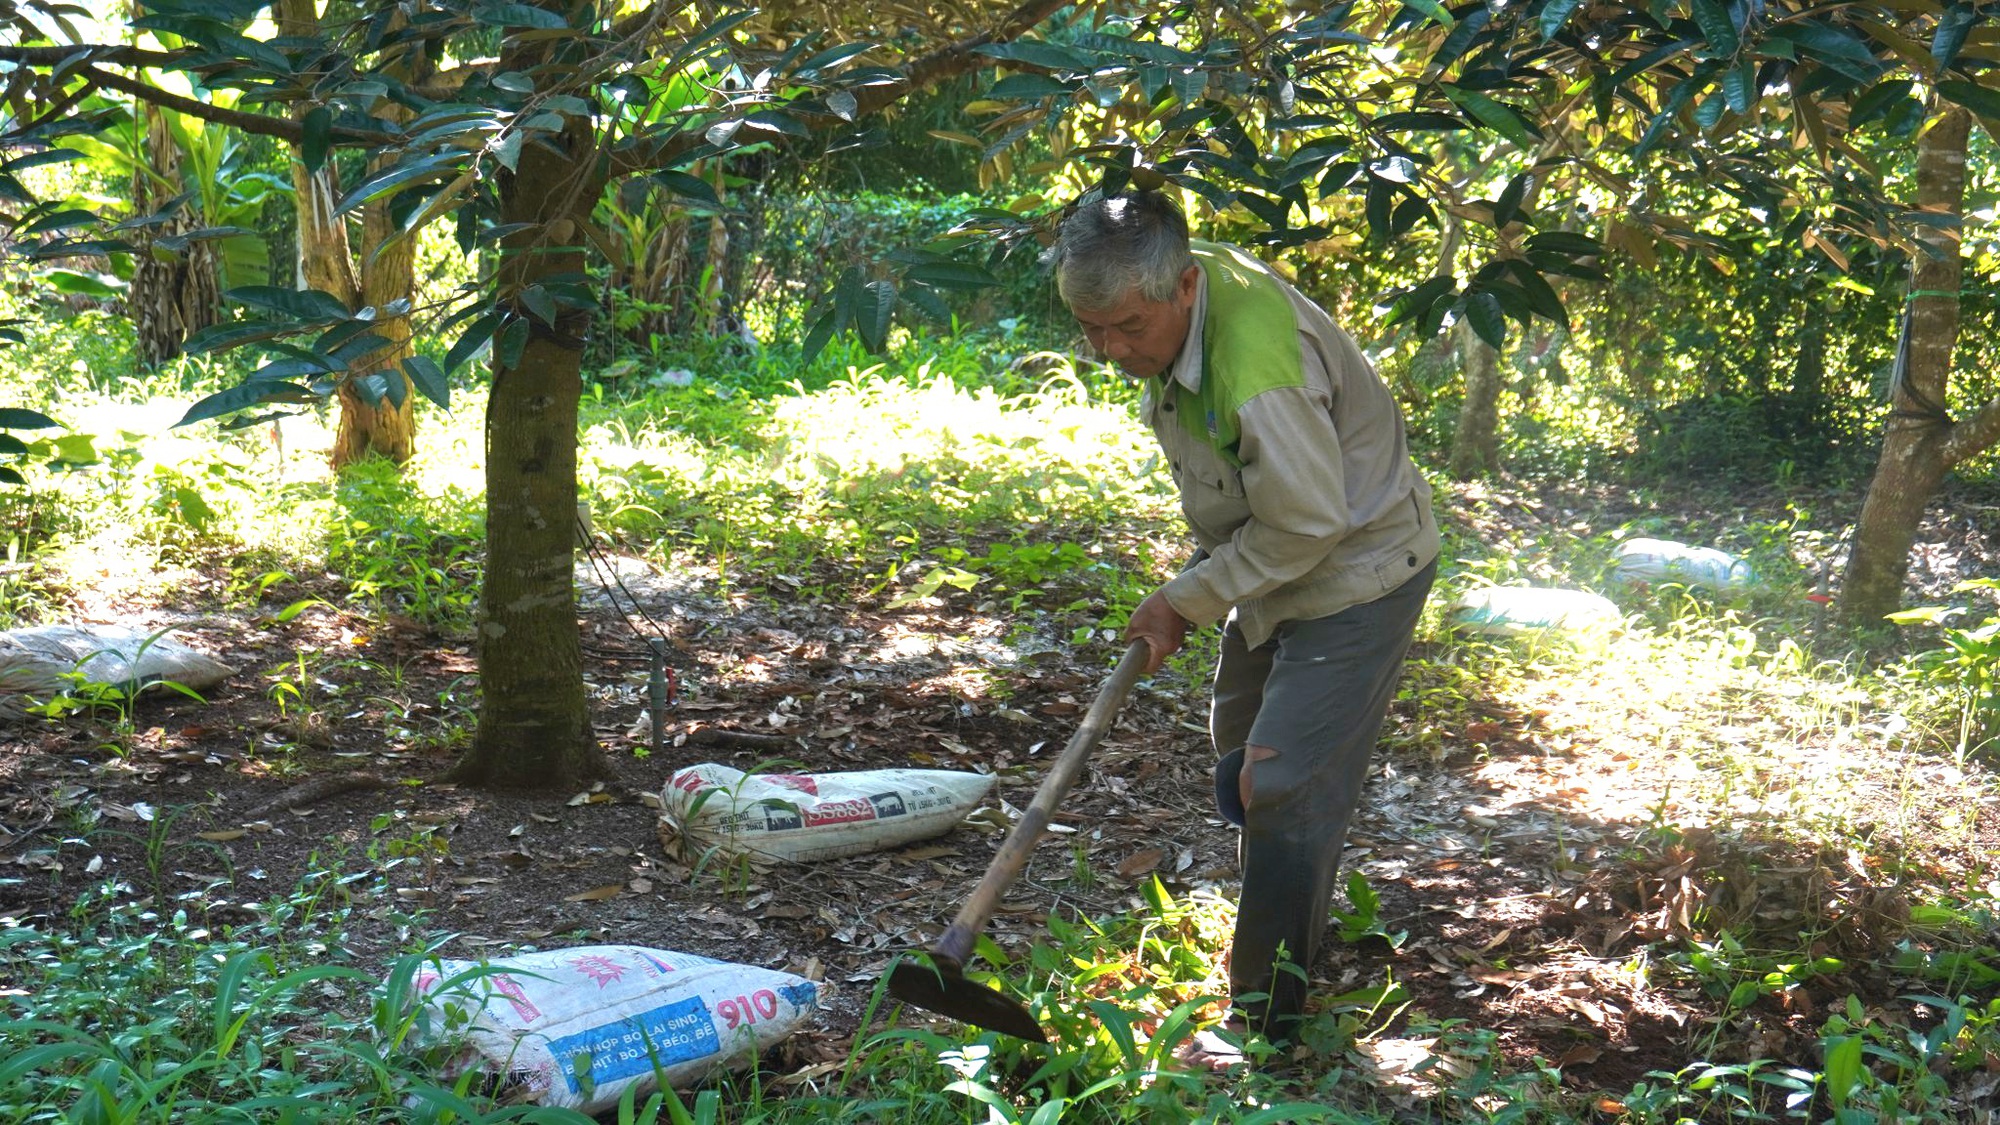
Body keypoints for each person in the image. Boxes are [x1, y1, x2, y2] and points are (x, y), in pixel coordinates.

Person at [1047, 190, 1439, 1064]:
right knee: (1242, 759)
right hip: (1271, 562)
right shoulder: (1164, 277)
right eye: (1090, 329)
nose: (1110, 350)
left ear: (1184, 288)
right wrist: (1204, 591)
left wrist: (1187, 598)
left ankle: (1267, 1023)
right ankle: (1281, 918)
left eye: (1126, 328)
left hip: (1358, 569)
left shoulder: (1259, 369)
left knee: (1284, 781)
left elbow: (1307, 522)